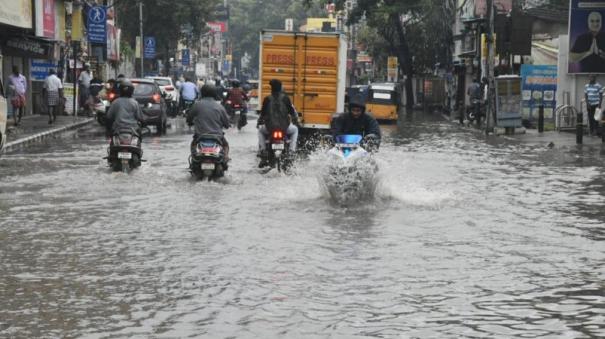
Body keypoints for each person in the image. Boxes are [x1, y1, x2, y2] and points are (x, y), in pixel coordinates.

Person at [258, 79, 299, 166]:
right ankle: (291, 151)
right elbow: (292, 112)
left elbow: (262, 114)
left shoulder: (267, 99)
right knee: (295, 130)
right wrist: (296, 121)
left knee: (260, 131)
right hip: (284, 128)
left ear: (271, 88)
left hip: (270, 128)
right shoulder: (286, 99)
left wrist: (259, 122)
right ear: (280, 88)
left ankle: (263, 151)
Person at [186, 84, 231, 160]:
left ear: (202, 93)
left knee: (193, 145)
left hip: (200, 136)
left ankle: (194, 159)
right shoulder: (220, 107)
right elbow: (226, 123)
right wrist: (226, 125)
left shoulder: (197, 105)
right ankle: (226, 157)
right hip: (217, 137)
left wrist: (190, 122)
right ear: (215, 93)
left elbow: (189, 118)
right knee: (225, 145)